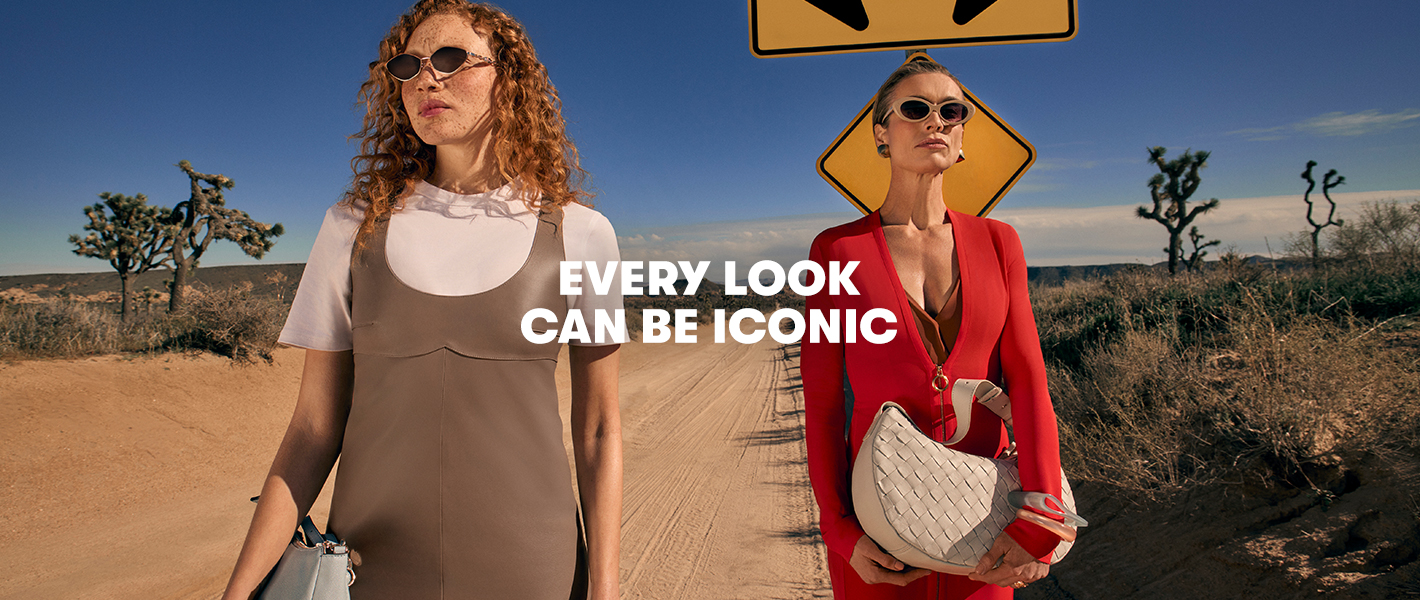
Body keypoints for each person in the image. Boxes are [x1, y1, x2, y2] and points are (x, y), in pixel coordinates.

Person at [220, 1, 622, 598]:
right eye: (407, 66)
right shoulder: (352, 226)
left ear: (508, 78)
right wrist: (240, 591)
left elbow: (598, 428)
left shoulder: (581, 233)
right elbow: (311, 429)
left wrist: (606, 588)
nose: (426, 78)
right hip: (367, 568)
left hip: (533, 564)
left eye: (452, 58)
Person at [801, 59, 1068, 599]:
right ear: (882, 134)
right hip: (879, 526)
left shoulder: (999, 243)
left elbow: (1030, 387)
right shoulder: (836, 251)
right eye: (916, 110)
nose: (936, 122)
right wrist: (839, 530)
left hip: (984, 523)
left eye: (951, 112)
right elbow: (824, 404)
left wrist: (1042, 521)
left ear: (963, 134)